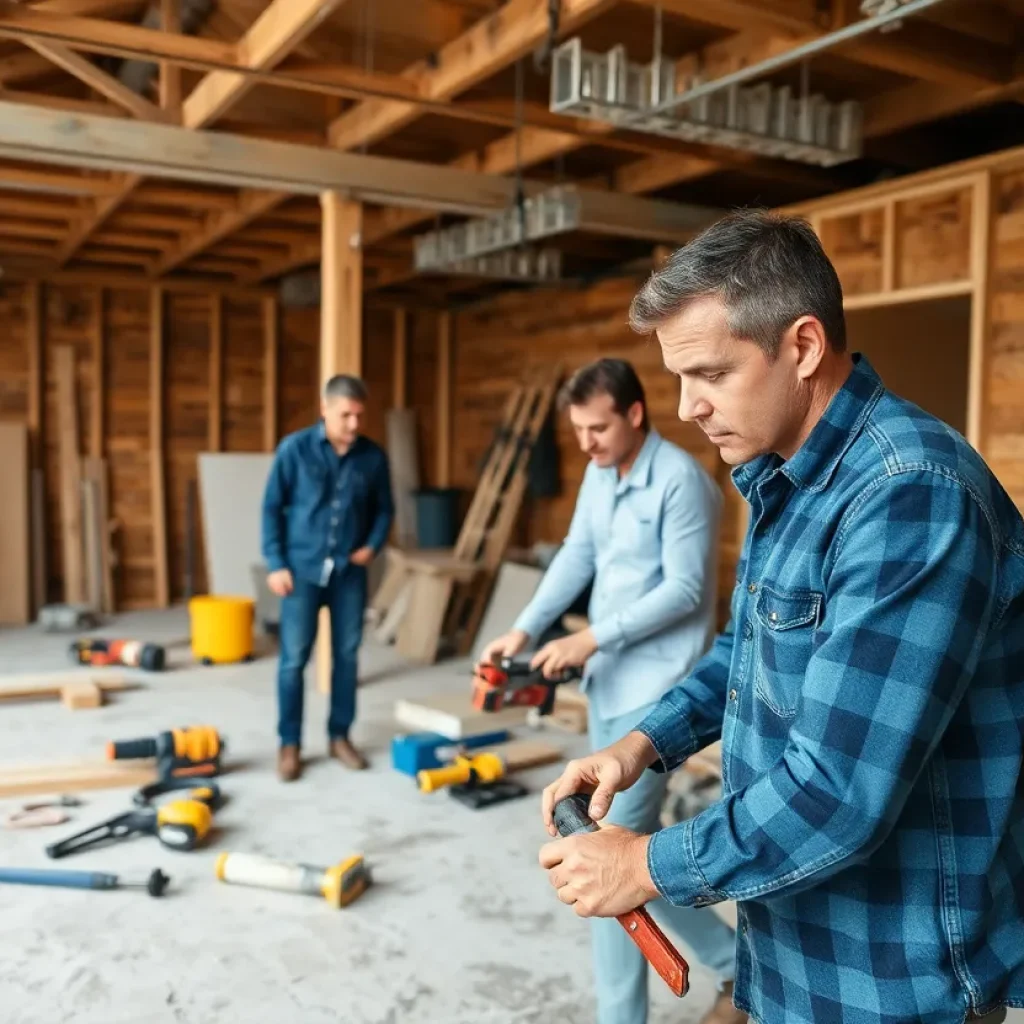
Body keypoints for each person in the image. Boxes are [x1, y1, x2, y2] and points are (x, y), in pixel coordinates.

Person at [537, 210, 1024, 1024]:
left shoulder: (910, 495)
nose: (687, 408)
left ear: (801, 347)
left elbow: (838, 792)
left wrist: (645, 863)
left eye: (711, 375)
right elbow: (746, 652)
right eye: (678, 379)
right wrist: (639, 745)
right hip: (795, 941)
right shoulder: (784, 477)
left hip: (891, 974)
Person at [479, 358, 743, 1024]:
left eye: (597, 428)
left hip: (658, 697)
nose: (586, 443)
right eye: (577, 431)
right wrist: (526, 628)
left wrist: (589, 638)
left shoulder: (683, 483)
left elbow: (685, 590)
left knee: (605, 868)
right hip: (607, 687)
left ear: (633, 414)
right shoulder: (601, 475)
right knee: (627, 852)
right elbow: (577, 552)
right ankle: (744, 971)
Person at [261, 373, 393, 782]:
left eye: (359, 416)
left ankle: (340, 736)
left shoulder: (372, 457)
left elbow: (385, 509)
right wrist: (276, 562)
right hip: (299, 572)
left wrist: (372, 545)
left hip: (349, 574)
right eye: (345, 415)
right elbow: (271, 508)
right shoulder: (294, 450)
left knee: (347, 657)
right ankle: (290, 745)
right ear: (324, 409)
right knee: (293, 661)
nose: (354, 424)